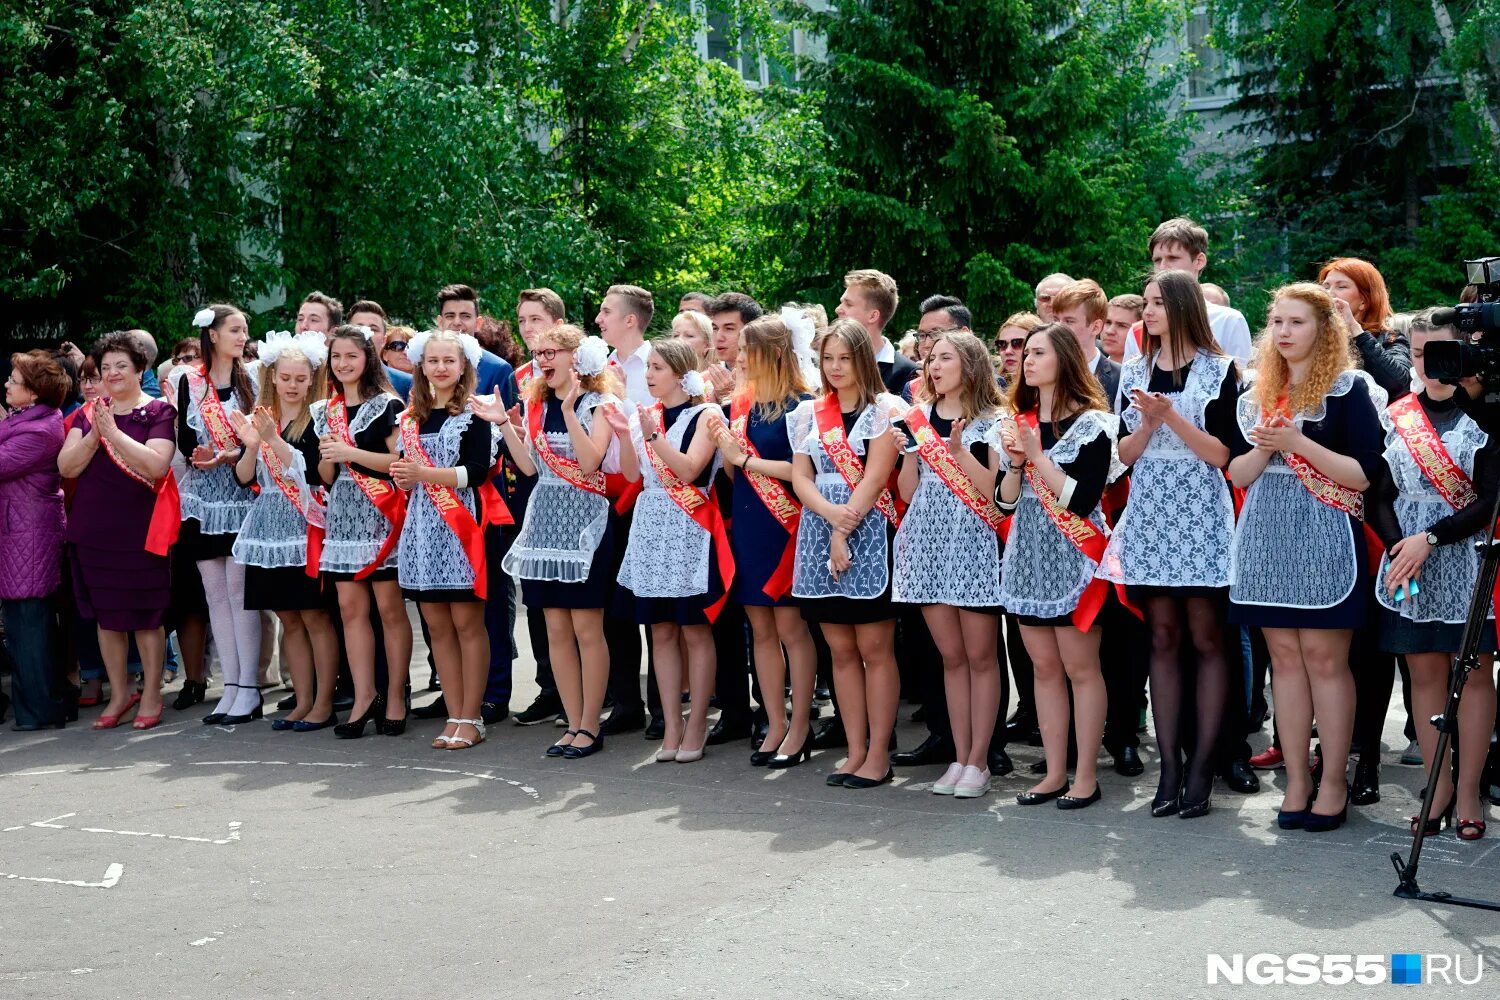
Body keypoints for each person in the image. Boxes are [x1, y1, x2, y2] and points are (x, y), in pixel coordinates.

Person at [1227, 283, 1385, 833]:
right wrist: (1265, 446)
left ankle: (1333, 781)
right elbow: (1239, 474)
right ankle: (1297, 780)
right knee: (1285, 662)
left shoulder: (1347, 389)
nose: (1284, 332)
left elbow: (1363, 475)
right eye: (1277, 322)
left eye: (1296, 322)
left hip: (1325, 532)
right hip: (1266, 535)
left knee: (1323, 660)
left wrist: (1298, 444)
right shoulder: (1256, 392)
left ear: (1323, 329)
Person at [1099, 271, 1240, 818]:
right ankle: (1170, 770)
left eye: (1157, 303)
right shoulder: (1135, 370)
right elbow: (1124, 454)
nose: (1148, 312)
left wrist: (1170, 416)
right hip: (1151, 513)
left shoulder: (1220, 369)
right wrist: (1146, 425)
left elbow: (1223, 455)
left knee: (1206, 638)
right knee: (1160, 637)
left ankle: (1203, 767)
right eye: (1146, 303)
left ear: (1182, 306)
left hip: (1201, 511)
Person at [1369, 309, 1497, 841]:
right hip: (1410, 561)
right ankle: (1437, 785)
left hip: (1468, 557)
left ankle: (1468, 792)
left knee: (1474, 673)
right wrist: (1401, 547)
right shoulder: (1398, 414)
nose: (1427, 364)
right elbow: (1379, 494)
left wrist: (1431, 539)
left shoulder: (1485, 416)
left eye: (1439, 352)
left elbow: (1489, 501)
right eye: (1418, 353)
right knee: (1423, 673)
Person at [488, 325, 636, 759]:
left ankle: (591, 724)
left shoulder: (599, 403)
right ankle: (572, 723)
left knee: (588, 629)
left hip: (587, 522)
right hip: (545, 523)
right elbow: (530, 468)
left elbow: (590, 463)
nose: (542, 360)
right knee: (556, 629)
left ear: (577, 357)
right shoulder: (536, 403)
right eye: (538, 353)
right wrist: (504, 424)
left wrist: (570, 410)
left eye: (551, 352)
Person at [995, 323, 1122, 810]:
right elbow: (1004, 504)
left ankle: (1085, 776)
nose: (1026, 360)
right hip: (1028, 555)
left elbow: (1080, 500)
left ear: (1064, 359)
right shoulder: (1017, 421)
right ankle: (1053, 773)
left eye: (1038, 353)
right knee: (1043, 670)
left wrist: (1035, 455)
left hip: (1074, 557)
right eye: (1025, 353)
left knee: (1080, 668)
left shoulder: (1094, 424)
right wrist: (1014, 464)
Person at [788, 318, 903, 789]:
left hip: (870, 528)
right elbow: (801, 477)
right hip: (821, 526)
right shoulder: (809, 413)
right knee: (839, 650)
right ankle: (854, 750)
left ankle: (879, 753)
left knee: (874, 648)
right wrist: (830, 518)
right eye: (828, 359)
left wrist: (843, 528)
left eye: (845, 358)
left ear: (864, 361)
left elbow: (875, 478)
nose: (836, 367)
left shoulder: (886, 410)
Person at [893, 331, 1007, 799]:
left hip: (974, 539)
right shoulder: (916, 419)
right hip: (928, 541)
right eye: (931, 359)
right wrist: (907, 455)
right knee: (952, 658)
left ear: (971, 365)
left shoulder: (994, 421)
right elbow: (906, 493)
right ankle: (959, 758)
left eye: (945, 358)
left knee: (981, 657)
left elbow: (998, 495)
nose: (934, 367)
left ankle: (979, 760)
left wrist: (958, 453)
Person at [709, 312, 819, 768]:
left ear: (773, 353)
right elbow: (731, 470)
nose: (737, 357)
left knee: (792, 629)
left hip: (786, 526)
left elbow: (801, 470)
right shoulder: (743, 405)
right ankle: (774, 722)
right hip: (751, 522)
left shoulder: (804, 405)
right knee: (761, 630)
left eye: (745, 349)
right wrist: (726, 447)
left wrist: (744, 461)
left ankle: (801, 725)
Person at [57, 333, 178, 730]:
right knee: (106, 618)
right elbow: (66, 466)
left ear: (140, 370)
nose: (111, 374)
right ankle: (121, 693)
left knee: (146, 617)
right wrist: (96, 433)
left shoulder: (159, 411)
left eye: (120, 366)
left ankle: (152, 694)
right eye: (105, 367)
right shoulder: (90, 414)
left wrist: (113, 433)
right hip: (93, 530)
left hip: (140, 530)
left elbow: (156, 465)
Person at [618, 338, 730, 762]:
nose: (648, 375)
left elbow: (689, 470)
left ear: (681, 374)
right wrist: (625, 434)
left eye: (658, 368)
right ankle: (671, 723)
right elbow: (633, 475)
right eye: (648, 367)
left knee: (694, 630)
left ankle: (697, 722)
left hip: (689, 525)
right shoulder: (646, 415)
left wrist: (653, 436)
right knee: (660, 631)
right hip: (651, 524)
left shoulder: (707, 414)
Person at [391, 329, 503, 751]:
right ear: (421, 366)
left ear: (463, 367)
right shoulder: (410, 419)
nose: (440, 368)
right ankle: (454, 714)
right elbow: (405, 471)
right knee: (437, 627)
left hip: (462, 526)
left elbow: (475, 472)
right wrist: (405, 478)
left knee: (467, 624)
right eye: (433, 360)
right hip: (423, 527)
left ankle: (472, 717)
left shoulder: (474, 413)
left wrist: (423, 474)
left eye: (448, 361)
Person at [230, 331, 341, 733]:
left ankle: (324, 703)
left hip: (306, 526)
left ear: (312, 380)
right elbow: (244, 478)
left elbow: (312, 474)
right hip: (269, 528)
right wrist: (253, 445)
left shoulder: (317, 420)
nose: (292, 385)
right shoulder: (262, 418)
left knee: (314, 616)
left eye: (300, 378)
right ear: (272, 377)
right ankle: (303, 700)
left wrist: (272, 440)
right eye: (286, 377)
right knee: (289, 619)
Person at [314, 325, 412, 738]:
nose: (343, 363)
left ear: (367, 359)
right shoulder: (326, 410)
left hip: (381, 513)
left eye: (351, 356)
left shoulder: (387, 404)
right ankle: (364, 695)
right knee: (350, 610)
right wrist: (330, 454)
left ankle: (395, 695)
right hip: (343, 515)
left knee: (389, 609)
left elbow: (399, 461)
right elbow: (325, 475)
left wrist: (349, 451)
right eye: (336, 357)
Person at [176, 305, 262, 724]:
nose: (242, 337)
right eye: (235, 330)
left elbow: (262, 436)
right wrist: (202, 454)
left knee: (240, 592)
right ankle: (230, 686)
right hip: (204, 499)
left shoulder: (255, 379)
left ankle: (249, 687)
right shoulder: (190, 381)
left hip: (244, 496)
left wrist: (228, 454)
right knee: (215, 594)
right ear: (212, 335)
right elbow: (185, 437)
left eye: (244, 330)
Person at [593, 285, 653, 734]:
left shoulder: (658, 364)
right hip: (605, 494)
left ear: (630, 320)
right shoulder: (599, 367)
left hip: (649, 494)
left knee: (652, 603)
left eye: (606, 311)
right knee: (613, 607)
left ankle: (664, 706)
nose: (598, 319)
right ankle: (626, 702)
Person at [509, 288, 568, 727]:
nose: (528, 328)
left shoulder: (583, 369)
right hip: (533, 493)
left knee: (580, 603)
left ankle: (596, 691)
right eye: (523, 320)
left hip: (576, 494)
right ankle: (550, 686)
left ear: (557, 324)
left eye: (536, 319)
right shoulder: (519, 376)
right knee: (538, 597)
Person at [1, 350, 69, 730]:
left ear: (34, 392)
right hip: (20, 535)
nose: (6, 384)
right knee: (24, 626)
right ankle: (37, 708)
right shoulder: (28, 420)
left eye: (13, 380)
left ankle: (40, 711)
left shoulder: (38, 431)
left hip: (27, 538)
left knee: (29, 627)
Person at [1123, 218, 1253, 363]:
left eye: (1173, 258)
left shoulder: (1228, 321)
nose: (1162, 267)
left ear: (1199, 261)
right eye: (1157, 260)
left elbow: (1239, 376)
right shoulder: (1139, 331)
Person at [1319, 257, 1412, 402]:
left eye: (1341, 287)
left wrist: (1355, 330)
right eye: (1325, 287)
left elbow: (1400, 385)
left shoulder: (1389, 338)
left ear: (1364, 301)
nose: (1329, 293)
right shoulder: (1311, 337)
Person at [836, 269, 915, 394]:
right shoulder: (831, 365)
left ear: (873, 316)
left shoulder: (908, 374)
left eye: (848, 304)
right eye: (841, 303)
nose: (838, 309)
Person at [1049, 279, 1121, 403]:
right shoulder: (1043, 370)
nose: (1058, 327)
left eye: (1069, 321)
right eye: (1056, 320)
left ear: (1096, 327)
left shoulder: (1121, 377)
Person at [348, 299, 413, 402]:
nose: (366, 333)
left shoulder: (406, 383)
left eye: (373, 329)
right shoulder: (333, 378)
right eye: (358, 328)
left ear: (384, 340)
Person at [705, 292, 762, 400]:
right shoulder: (704, 379)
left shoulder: (768, 378)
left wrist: (730, 395)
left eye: (729, 329)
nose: (718, 337)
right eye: (715, 328)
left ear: (752, 330)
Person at [1103, 295, 1143, 366]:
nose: (1109, 331)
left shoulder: (1151, 371)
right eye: (1108, 322)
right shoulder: (1088, 369)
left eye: (1122, 325)